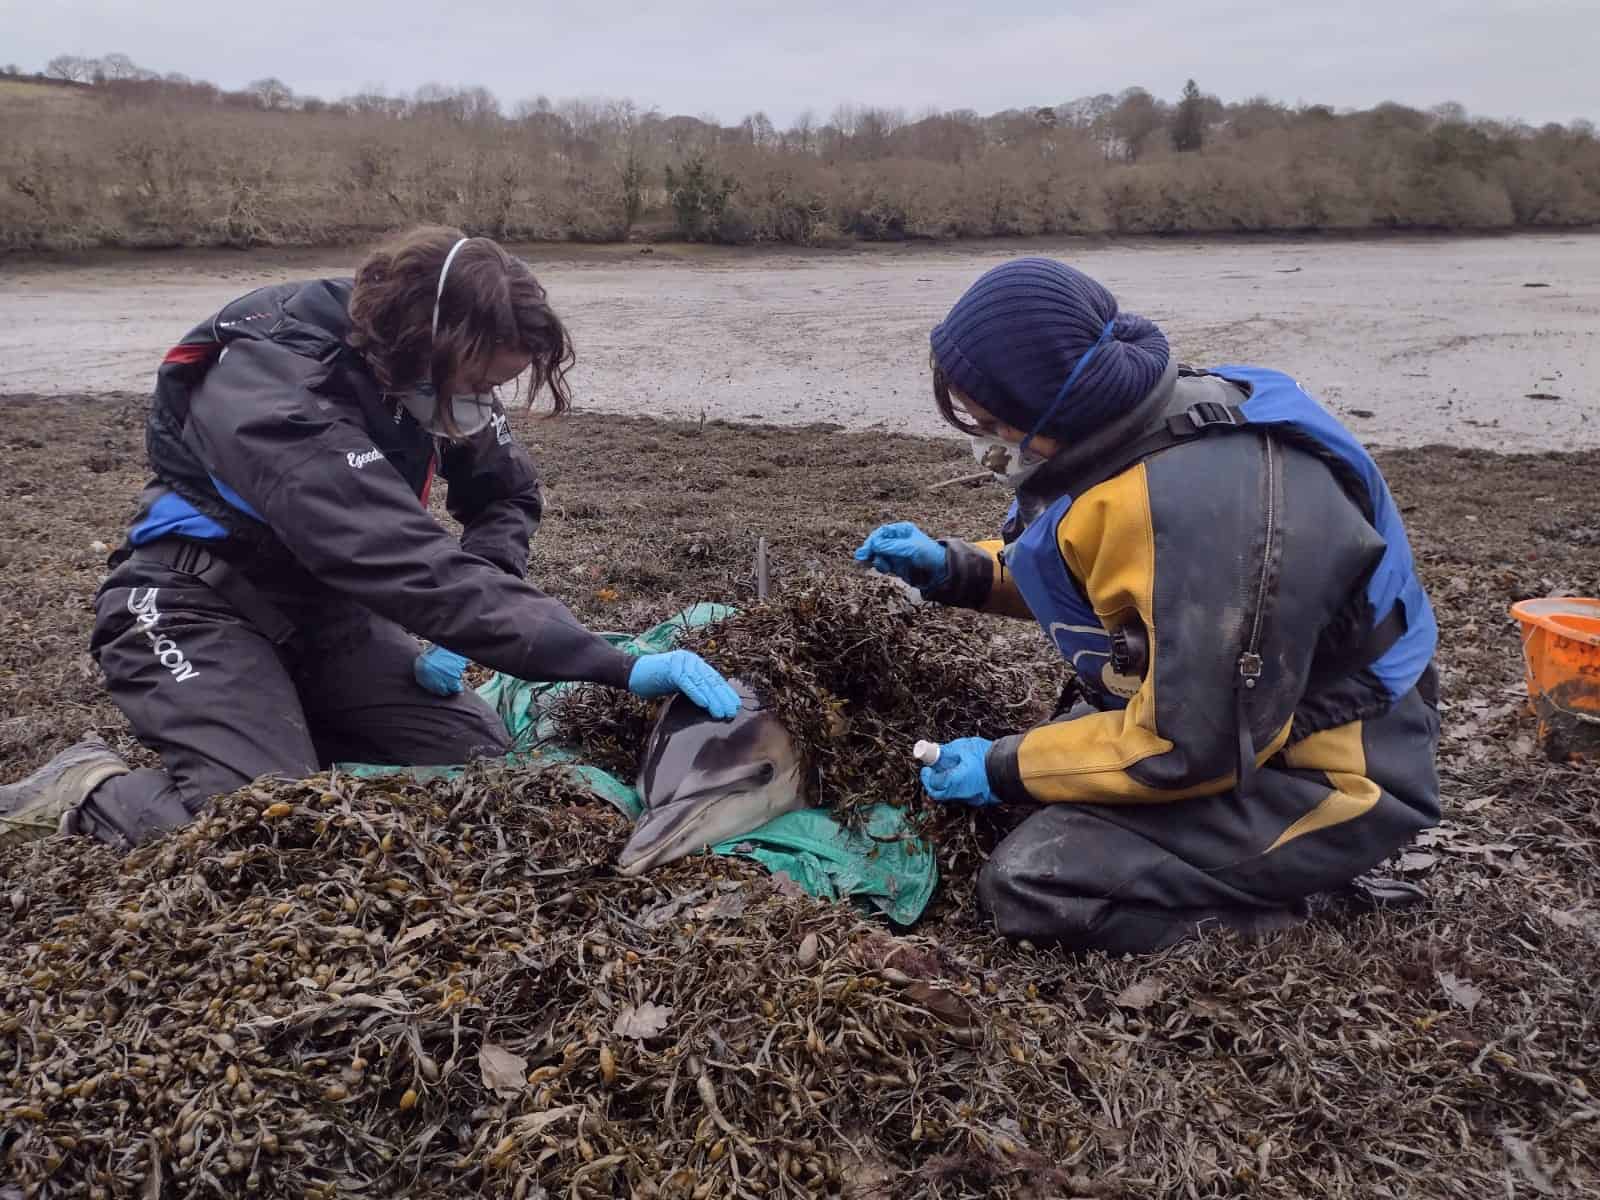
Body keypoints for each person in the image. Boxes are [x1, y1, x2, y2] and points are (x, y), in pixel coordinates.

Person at [0, 226, 739, 851]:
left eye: (497, 388)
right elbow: (402, 562)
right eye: (478, 382)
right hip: (195, 606)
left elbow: (507, 494)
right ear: (428, 342)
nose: (482, 405)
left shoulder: (433, 377)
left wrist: (474, 606)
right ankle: (90, 788)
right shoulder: (277, 391)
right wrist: (611, 662)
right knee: (266, 827)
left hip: (331, 619)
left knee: (486, 772)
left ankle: (278, 731)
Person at [855, 258, 1441, 955]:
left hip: (1331, 775)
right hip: (1241, 719)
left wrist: (1003, 767)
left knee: (1031, 884)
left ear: (1040, 400)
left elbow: (1183, 750)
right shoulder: (1128, 417)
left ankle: (1291, 925)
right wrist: (959, 569)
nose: (986, 440)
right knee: (1057, 776)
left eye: (989, 420)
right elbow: (1092, 575)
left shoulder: (1197, 509)